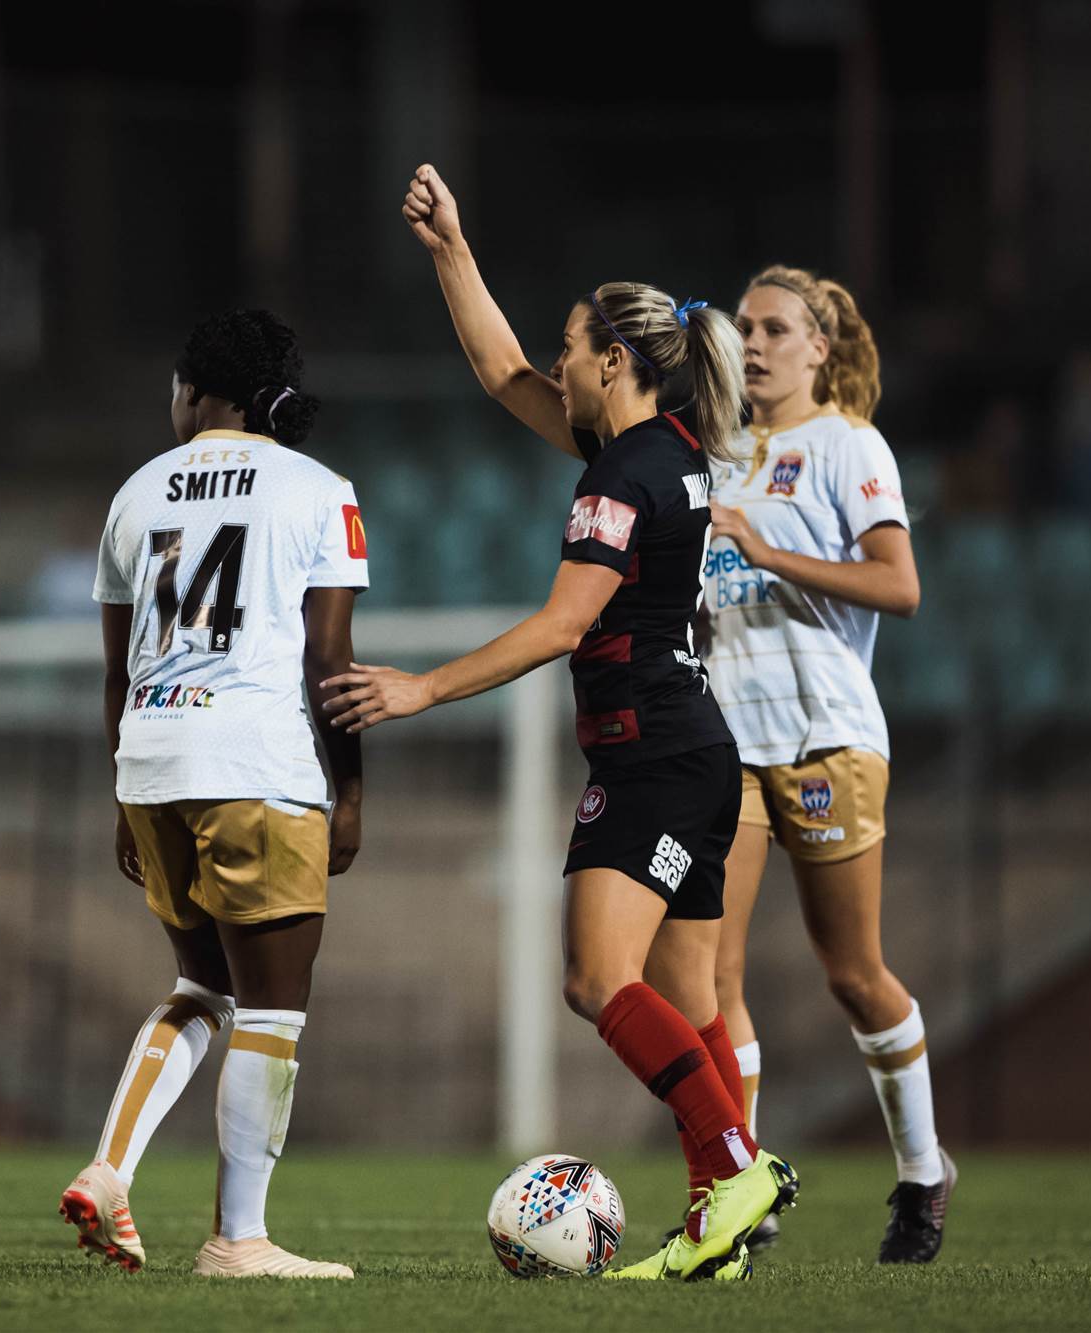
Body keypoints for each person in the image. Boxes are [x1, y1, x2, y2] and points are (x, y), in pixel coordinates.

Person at [323, 164, 797, 1284]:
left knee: (595, 981)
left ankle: (737, 1169)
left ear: (613, 362)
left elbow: (559, 624)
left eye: (570, 348)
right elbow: (498, 372)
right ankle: (712, 1237)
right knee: (685, 1001)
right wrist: (450, 248)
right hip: (686, 752)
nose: (555, 364)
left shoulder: (618, 477)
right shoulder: (659, 451)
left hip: (651, 763)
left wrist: (418, 689)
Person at [60, 309, 366, 1280]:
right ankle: (239, 1239)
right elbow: (329, 663)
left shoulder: (135, 492)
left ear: (196, 389)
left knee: (201, 986)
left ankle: (110, 1170)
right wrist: (348, 792)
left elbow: (115, 671)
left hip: (151, 758)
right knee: (272, 1008)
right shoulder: (320, 491)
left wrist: (123, 793)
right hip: (258, 760)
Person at [701, 265, 955, 1263]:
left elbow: (898, 584)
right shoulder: (715, 453)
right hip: (726, 745)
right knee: (710, 975)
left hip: (823, 739)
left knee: (851, 973)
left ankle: (922, 1172)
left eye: (774, 329)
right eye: (745, 327)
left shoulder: (847, 444)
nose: (754, 344)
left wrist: (768, 552)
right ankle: (743, 1184)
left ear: (819, 348)